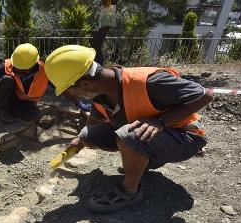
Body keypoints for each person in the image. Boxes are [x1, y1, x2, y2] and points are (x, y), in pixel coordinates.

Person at [44, 45, 214, 213]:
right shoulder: (101, 93)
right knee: (90, 134)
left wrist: (161, 121)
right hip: (153, 136)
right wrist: (81, 140)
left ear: (86, 83)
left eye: (71, 89)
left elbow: (205, 95)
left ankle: (129, 191)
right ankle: (146, 161)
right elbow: (94, 122)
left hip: (185, 138)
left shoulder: (149, 82)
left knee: (128, 135)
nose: (73, 95)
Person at [0, 43, 91, 124]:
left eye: (22, 70)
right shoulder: (8, 66)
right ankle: (2, 109)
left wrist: (78, 103)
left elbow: (62, 89)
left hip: (25, 103)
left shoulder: (45, 72)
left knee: (34, 116)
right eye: (16, 68)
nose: (18, 71)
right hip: (8, 96)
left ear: (33, 64)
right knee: (7, 79)